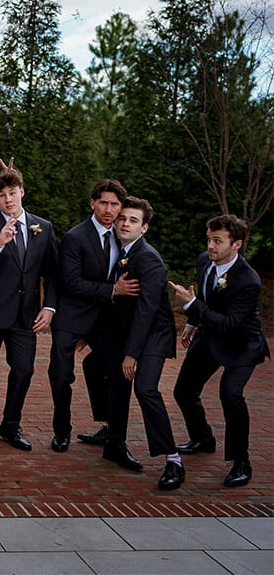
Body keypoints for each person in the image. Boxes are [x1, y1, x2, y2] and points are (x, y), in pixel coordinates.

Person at [170, 214, 270, 487]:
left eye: (218, 241)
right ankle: (203, 438)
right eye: (209, 239)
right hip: (210, 335)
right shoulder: (206, 260)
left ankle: (241, 460)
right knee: (184, 390)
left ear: (236, 244)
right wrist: (192, 322)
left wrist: (191, 307)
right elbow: (205, 296)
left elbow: (229, 324)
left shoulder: (248, 280)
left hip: (242, 343)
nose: (211, 246)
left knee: (231, 393)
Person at [0, 160, 57, 453]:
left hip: (25, 315)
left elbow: (52, 273)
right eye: (2, 194)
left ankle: (10, 424)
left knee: (24, 369)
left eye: (13, 192)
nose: (8, 199)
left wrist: (50, 307)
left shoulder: (43, 228)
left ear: (22, 192)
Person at [46, 179, 136, 452]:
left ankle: (110, 429)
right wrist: (113, 289)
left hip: (104, 319)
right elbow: (71, 282)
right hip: (72, 316)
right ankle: (62, 431)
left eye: (115, 204)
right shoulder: (76, 237)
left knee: (118, 370)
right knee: (61, 375)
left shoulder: (124, 235)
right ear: (93, 203)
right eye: (104, 203)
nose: (109, 209)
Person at [106, 197, 182, 488]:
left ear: (144, 227)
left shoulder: (148, 257)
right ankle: (113, 439)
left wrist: (131, 354)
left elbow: (148, 309)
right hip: (131, 331)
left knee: (146, 389)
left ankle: (173, 460)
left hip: (154, 334)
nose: (125, 223)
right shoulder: (121, 250)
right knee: (103, 370)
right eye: (122, 218)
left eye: (133, 220)